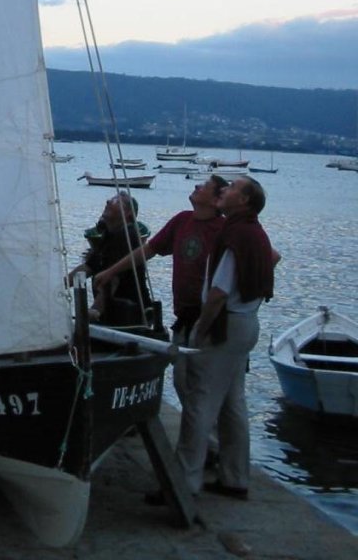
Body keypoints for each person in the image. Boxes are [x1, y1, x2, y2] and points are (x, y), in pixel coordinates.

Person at [174, 176, 276, 500]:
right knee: (233, 403)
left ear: (244, 201)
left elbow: (218, 291)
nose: (224, 190)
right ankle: (235, 477)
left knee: (199, 402)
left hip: (226, 324)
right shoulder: (256, 233)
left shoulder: (235, 234)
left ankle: (184, 482)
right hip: (248, 323)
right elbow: (272, 261)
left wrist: (201, 328)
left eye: (231, 188)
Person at [92, 174, 228, 409]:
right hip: (185, 315)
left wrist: (242, 299)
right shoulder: (182, 220)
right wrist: (110, 272)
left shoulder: (223, 229)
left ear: (216, 201)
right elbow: (148, 250)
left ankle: (205, 441)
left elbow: (268, 258)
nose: (196, 185)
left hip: (212, 316)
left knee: (205, 385)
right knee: (182, 381)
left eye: (204, 186)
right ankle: (202, 438)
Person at [67, 192, 152, 324]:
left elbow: (113, 278)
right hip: (113, 312)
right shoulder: (109, 235)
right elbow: (88, 267)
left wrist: (94, 310)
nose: (108, 202)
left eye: (117, 201)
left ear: (128, 214)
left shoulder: (127, 236)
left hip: (127, 316)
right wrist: (59, 286)